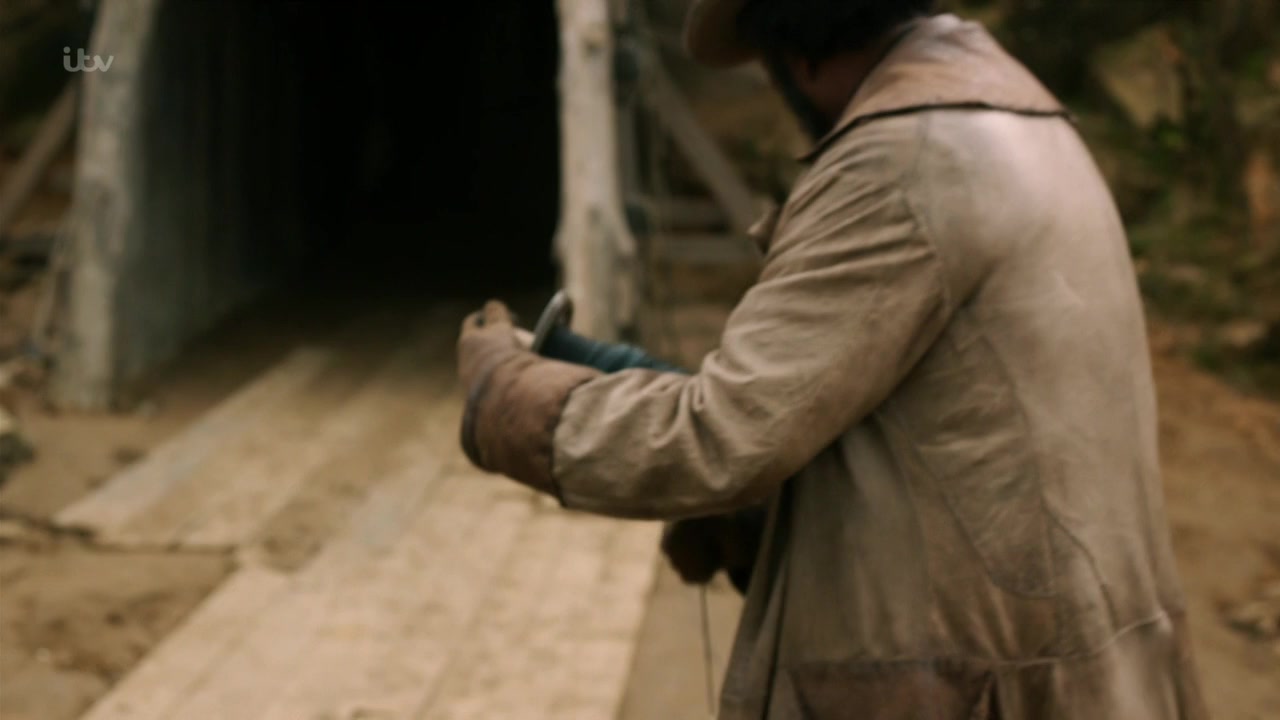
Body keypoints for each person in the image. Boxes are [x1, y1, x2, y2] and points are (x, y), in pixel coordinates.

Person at [455, 0, 1209, 717]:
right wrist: (778, 524)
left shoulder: (898, 162)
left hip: (982, 692)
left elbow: (718, 437)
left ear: (797, 52)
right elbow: (958, 441)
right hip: (1086, 673)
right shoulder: (1023, 126)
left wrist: (504, 393)